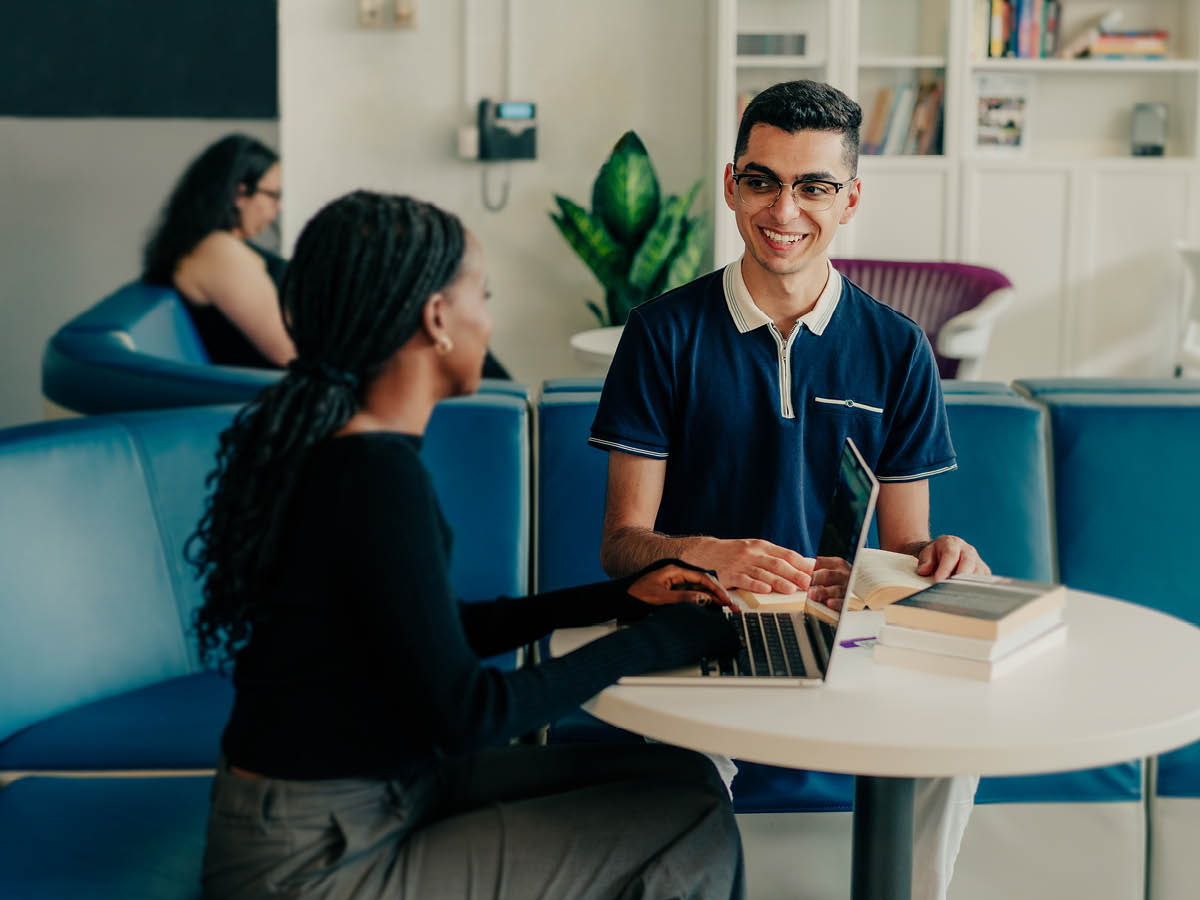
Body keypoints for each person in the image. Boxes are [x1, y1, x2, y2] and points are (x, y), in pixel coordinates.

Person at [188, 191, 746, 899]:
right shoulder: (372, 473)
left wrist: (619, 597)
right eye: (481, 295)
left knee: (691, 779)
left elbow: (437, 632)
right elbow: (469, 715)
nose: (490, 317)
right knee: (691, 820)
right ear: (436, 319)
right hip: (317, 856)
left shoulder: (345, 450)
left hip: (364, 798)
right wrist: (661, 640)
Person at [590, 80, 987, 900]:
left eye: (813, 186)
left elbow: (907, 544)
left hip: (841, 635)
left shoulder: (898, 348)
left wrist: (933, 561)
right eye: (764, 180)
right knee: (680, 791)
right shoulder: (661, 334)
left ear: (849, 201)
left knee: (955, 738)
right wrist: (707, 556)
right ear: (734, 184)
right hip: (699, 630)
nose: (785, 210)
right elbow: (621, 544)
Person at [143, 133, 295, 368]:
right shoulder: (218, 251)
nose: (279, 206)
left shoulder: (216, 246)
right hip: (257, 390)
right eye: (273, 195)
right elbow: (288, 352)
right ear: (239, 194)